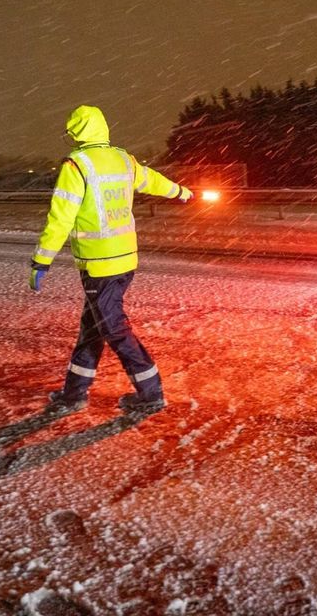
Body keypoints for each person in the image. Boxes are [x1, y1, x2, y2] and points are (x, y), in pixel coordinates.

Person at [29, 105, 192, 414]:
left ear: (77, 132)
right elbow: (152, 181)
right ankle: (74, 393)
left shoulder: (76, 166)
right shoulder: (122, 159)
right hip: (126, 261)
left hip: (99, 264)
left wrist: (42, 260)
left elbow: (60, 219)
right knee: (93, 328)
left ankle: (151, 391)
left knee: (113, 328)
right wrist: (181, 192)